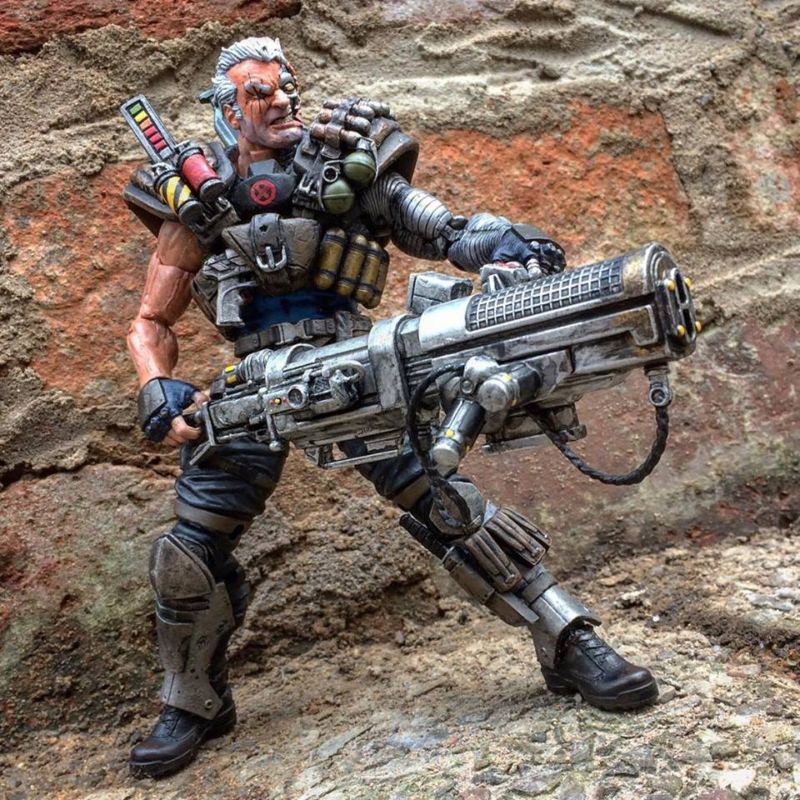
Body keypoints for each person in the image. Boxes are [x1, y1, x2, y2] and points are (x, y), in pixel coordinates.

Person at [123, 36, 659, 779]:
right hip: (252, 385)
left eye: (287, 86)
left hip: (354, 370)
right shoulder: (196, 193)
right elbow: (151, 320)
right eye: (259, 92)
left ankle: (566, 637)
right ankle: (192, 699)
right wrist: (156, 386)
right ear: (226, 110)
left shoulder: (343, 163)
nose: (281, 100)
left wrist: (509, 244)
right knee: (188, 550)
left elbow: (445, 230)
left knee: (448, 503)